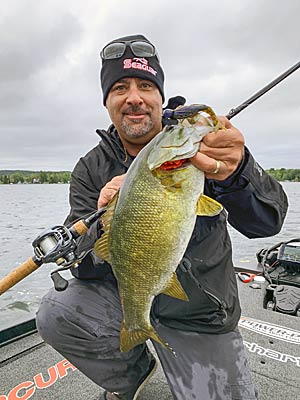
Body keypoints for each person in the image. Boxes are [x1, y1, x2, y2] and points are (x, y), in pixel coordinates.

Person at [36, 34, 288, 400]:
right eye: (119, 87)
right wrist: (101, 221)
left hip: (201, 313)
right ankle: (133, 375)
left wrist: (236, 173)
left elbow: (267, 222)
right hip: (128, 296)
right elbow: (86, 267)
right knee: (57, 312)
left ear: (160, 97)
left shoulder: (200, 149)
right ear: (107, 101)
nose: (134, 97)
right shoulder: (90, 168)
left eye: (145, 86)